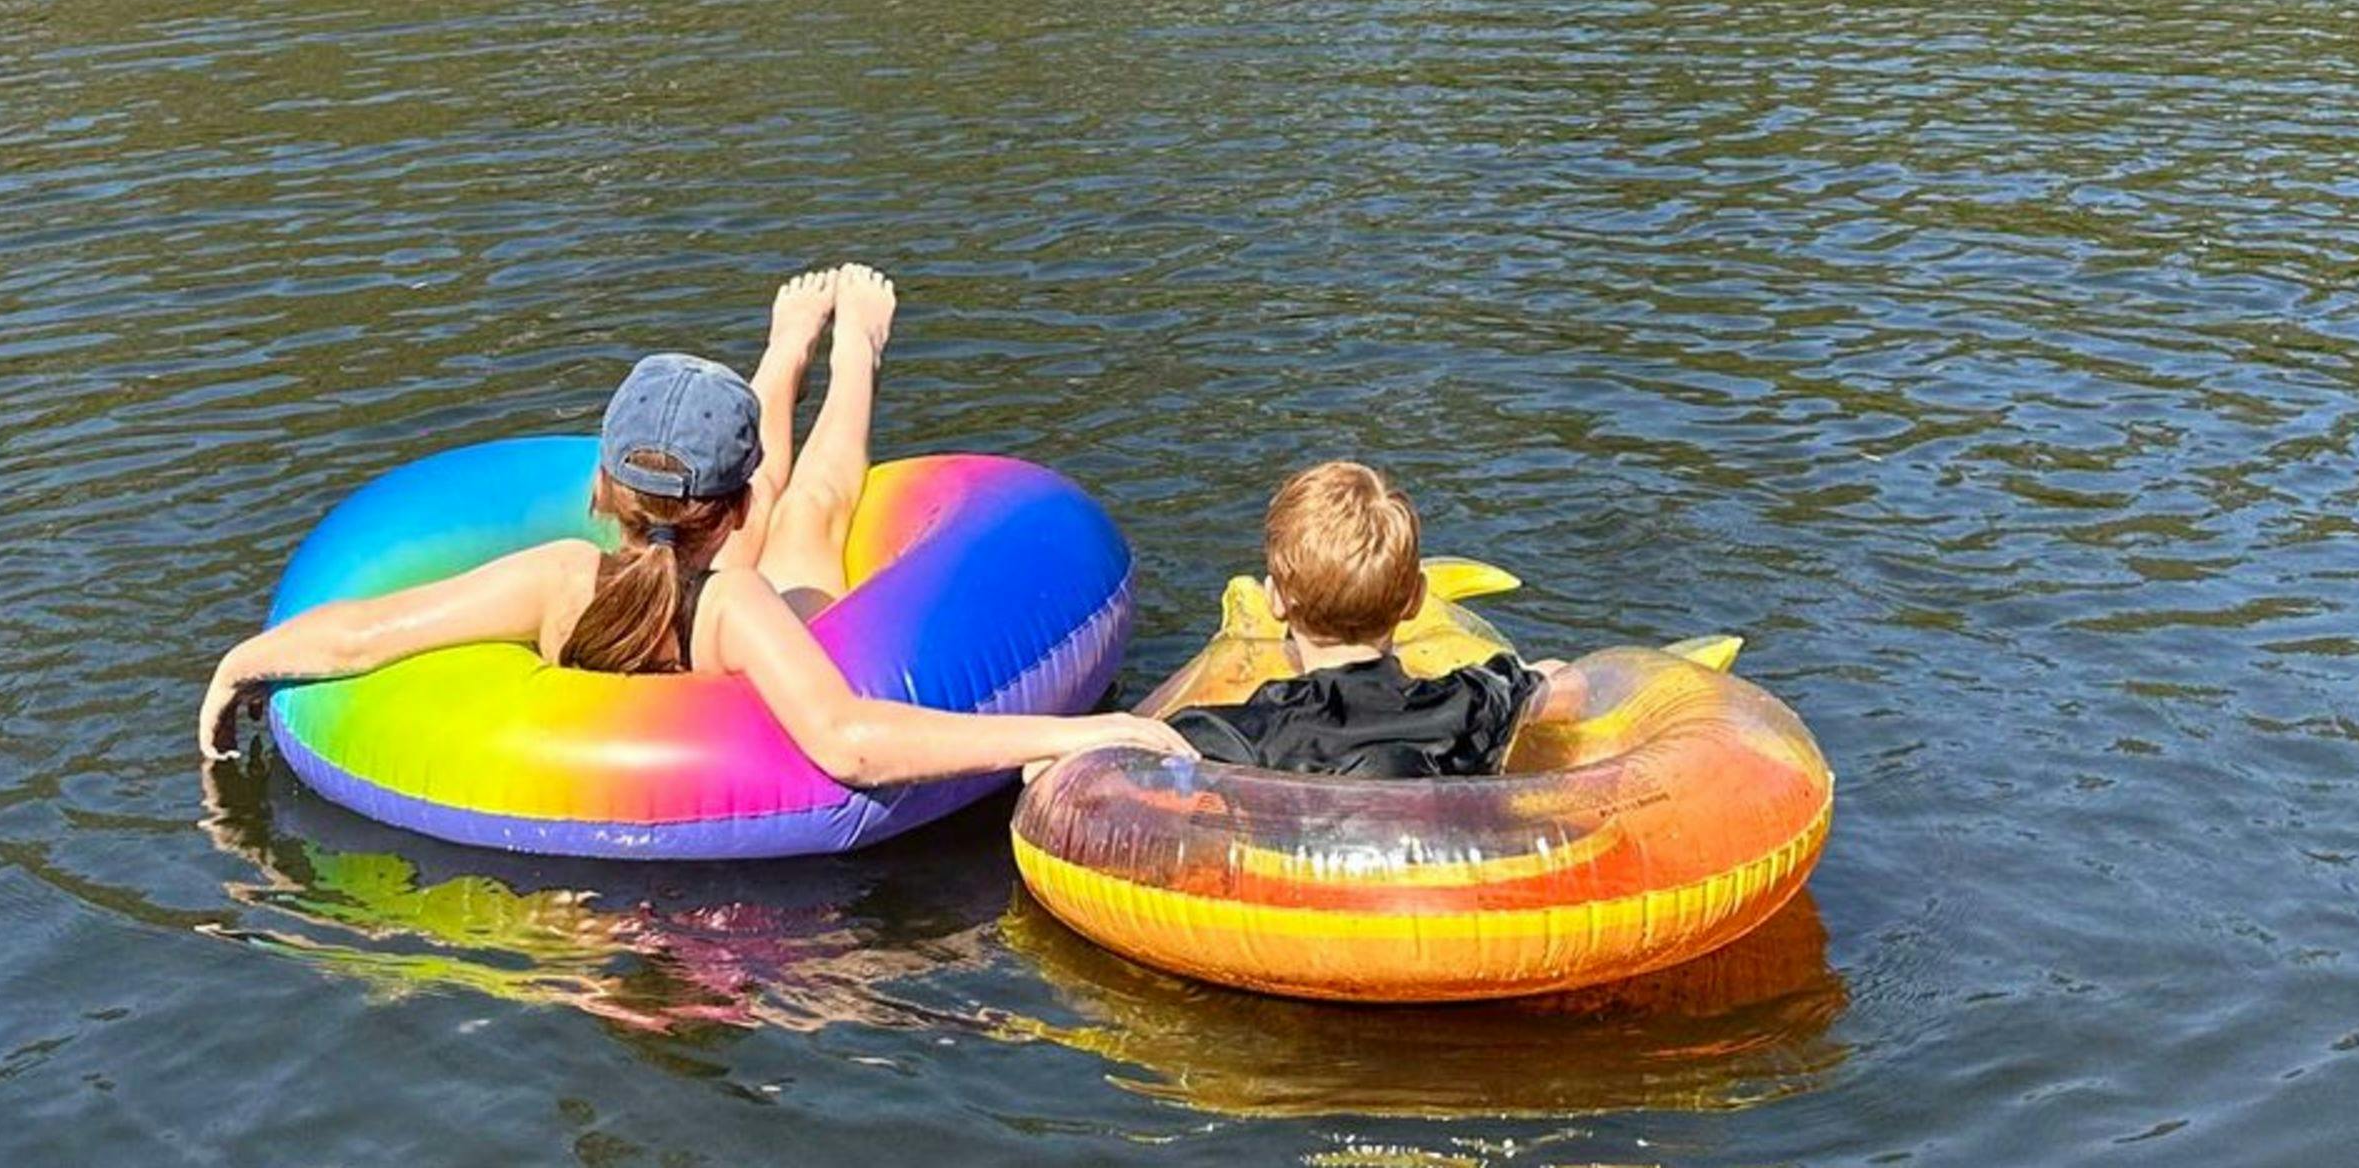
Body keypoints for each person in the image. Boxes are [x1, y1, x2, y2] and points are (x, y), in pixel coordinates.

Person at [198, 264, 1182, 784]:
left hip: (672, 573)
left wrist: (245, 662)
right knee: (817, 513)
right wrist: (1082, 733)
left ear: (596, 492)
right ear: (733, 508)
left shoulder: (554, 578)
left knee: (753, 528)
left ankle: (781, 353)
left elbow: (367, 633)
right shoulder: (744, 604)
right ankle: (852, 355)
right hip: (744, 604)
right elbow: (848, 743)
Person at [1163, 460, 1556, 779]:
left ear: (1275, 602)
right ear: (1415, 600)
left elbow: (1132, 750)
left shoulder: (1249, 732)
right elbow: (1552, 678)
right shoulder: (1469, 702)